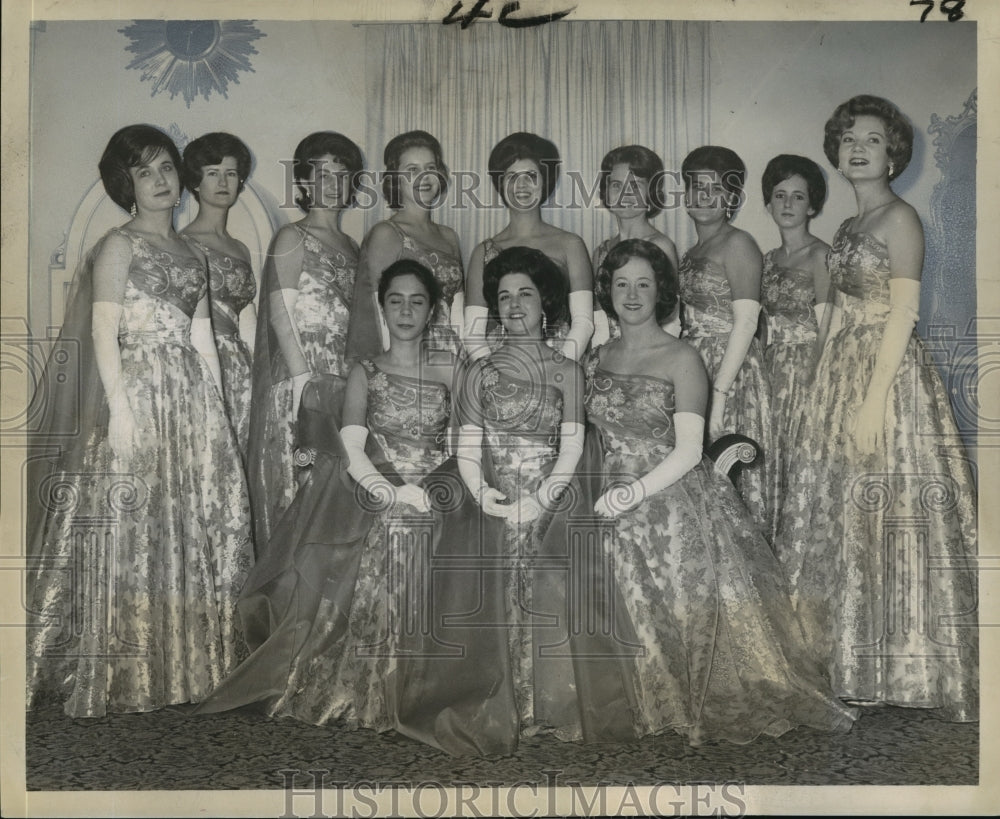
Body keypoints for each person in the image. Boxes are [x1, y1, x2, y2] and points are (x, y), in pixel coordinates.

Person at [196, 261, 516, 756]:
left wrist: (459, 487)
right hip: (376, 482)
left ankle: (421, 686)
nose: (406, 310)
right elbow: (351, 443)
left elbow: (468, 445)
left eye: (417, 301)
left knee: (439, 536)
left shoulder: (453, 368)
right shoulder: (365, 369)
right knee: (391, 534)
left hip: (438, 484)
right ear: (382, 308)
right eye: (396, 300)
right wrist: (386, 489)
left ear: (432, 310)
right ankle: (364, 688)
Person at [584, 238, 856, 744]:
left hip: (665, 493)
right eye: (621, 284)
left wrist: (630, 495)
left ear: (661, 291)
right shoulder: (598, 356)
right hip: (603, 486)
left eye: (644, 283)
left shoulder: (683, 356)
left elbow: (689, 452)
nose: (633, 294)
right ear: (608, 291)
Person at [26, 124, 252, 718]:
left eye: (167, 169)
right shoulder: (118, 246)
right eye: (144, 171)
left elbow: (202, 335)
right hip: (139, 392)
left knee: (190, 522)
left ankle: (190, 669)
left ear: (180, 181)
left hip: (193, 400)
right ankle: (124, 673)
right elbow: (105, 331)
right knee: (135, 527)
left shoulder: (195, 253)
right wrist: (121, 412)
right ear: (126, 183)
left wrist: (220, 411)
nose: (159, 181)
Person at [774, 95, 978, 720]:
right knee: (840, 515)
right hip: (840, 374)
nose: (857, 148)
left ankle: (904, 666)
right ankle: (848, 661)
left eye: (871, 139)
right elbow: (835, 313)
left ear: (893, 153)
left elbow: (902, 316)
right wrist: (818, 380)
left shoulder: (901, 218)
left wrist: (871, 402)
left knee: (885, 509)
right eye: (847, 139)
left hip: (887, 382)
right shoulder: (844, 227)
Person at [456, 245, 591, 739]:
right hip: (492, 503)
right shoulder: (478, 371)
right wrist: (481, 493)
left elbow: (572, 449)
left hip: (550, 504)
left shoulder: (567, 371)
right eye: (504, 296)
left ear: (545, 303)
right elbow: (467, 447)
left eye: (525, 294)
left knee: (546, 596)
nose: (514, 305)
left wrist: (543, 497)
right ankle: (502, 704)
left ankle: (544, 707)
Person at [247, 131, 362, 552]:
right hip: (302, 378)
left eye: (342, 175)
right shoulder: (291, 237)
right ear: (304, 182)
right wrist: (304, 386)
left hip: (341, 377)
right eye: (321, 175)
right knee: (300, 477)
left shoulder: (354, 247)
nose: (332, 185)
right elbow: (280, 317)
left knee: (334, 487)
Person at [678, 145, 773, 537]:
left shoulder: (739, 243)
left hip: (729, 371)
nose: (703, 196)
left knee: (729, 476)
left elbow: (747, 321)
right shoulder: (692, 250)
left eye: (714, 188)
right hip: (695, 362)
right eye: (695, 186)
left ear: (732, 198)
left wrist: (719, 389)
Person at [463, 132, 593, 361]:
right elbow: (473, 335)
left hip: (560, 365)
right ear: (500, 184)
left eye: (531, 175)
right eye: (511, 176)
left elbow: (583, 323)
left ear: (545, 180)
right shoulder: (483, 252)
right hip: (501, 370)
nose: (521, 185)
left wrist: (558, 370)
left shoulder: (570, 245)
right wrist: (492, 374)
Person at [758, 154, 830, 541]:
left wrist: (816, 382)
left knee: (804, 467)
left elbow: (828, 329)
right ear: (768, 203)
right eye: (780, 195)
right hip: (772, 372)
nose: (787, 204)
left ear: (813, 205)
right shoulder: (768, 261)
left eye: (798, 197)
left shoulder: (821, 255)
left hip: (807, 370)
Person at [345, 130, 463, 362]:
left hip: (450, 353)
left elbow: (458, 313)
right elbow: (380, 315)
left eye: (430, 168)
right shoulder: (386, 234)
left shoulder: (449, 237)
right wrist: (398, 368)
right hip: (406, 356)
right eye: (412, 170)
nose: (423, 178)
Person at [180, 132, 257, 461]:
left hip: (242, 367)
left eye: (232, 173)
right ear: (196, 182)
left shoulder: (240, 248)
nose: (223, 181)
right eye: (213, 173)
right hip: (202, 363)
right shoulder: (183, 243)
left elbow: (246, 319)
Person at [591, 144, 680, 344]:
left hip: (651, 352)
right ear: (606, 191)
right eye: (616, 185)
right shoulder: (601, 252)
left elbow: (671, 318)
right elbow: (599, 320)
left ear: (651, 193)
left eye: (636, 185)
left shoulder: (661, 246)